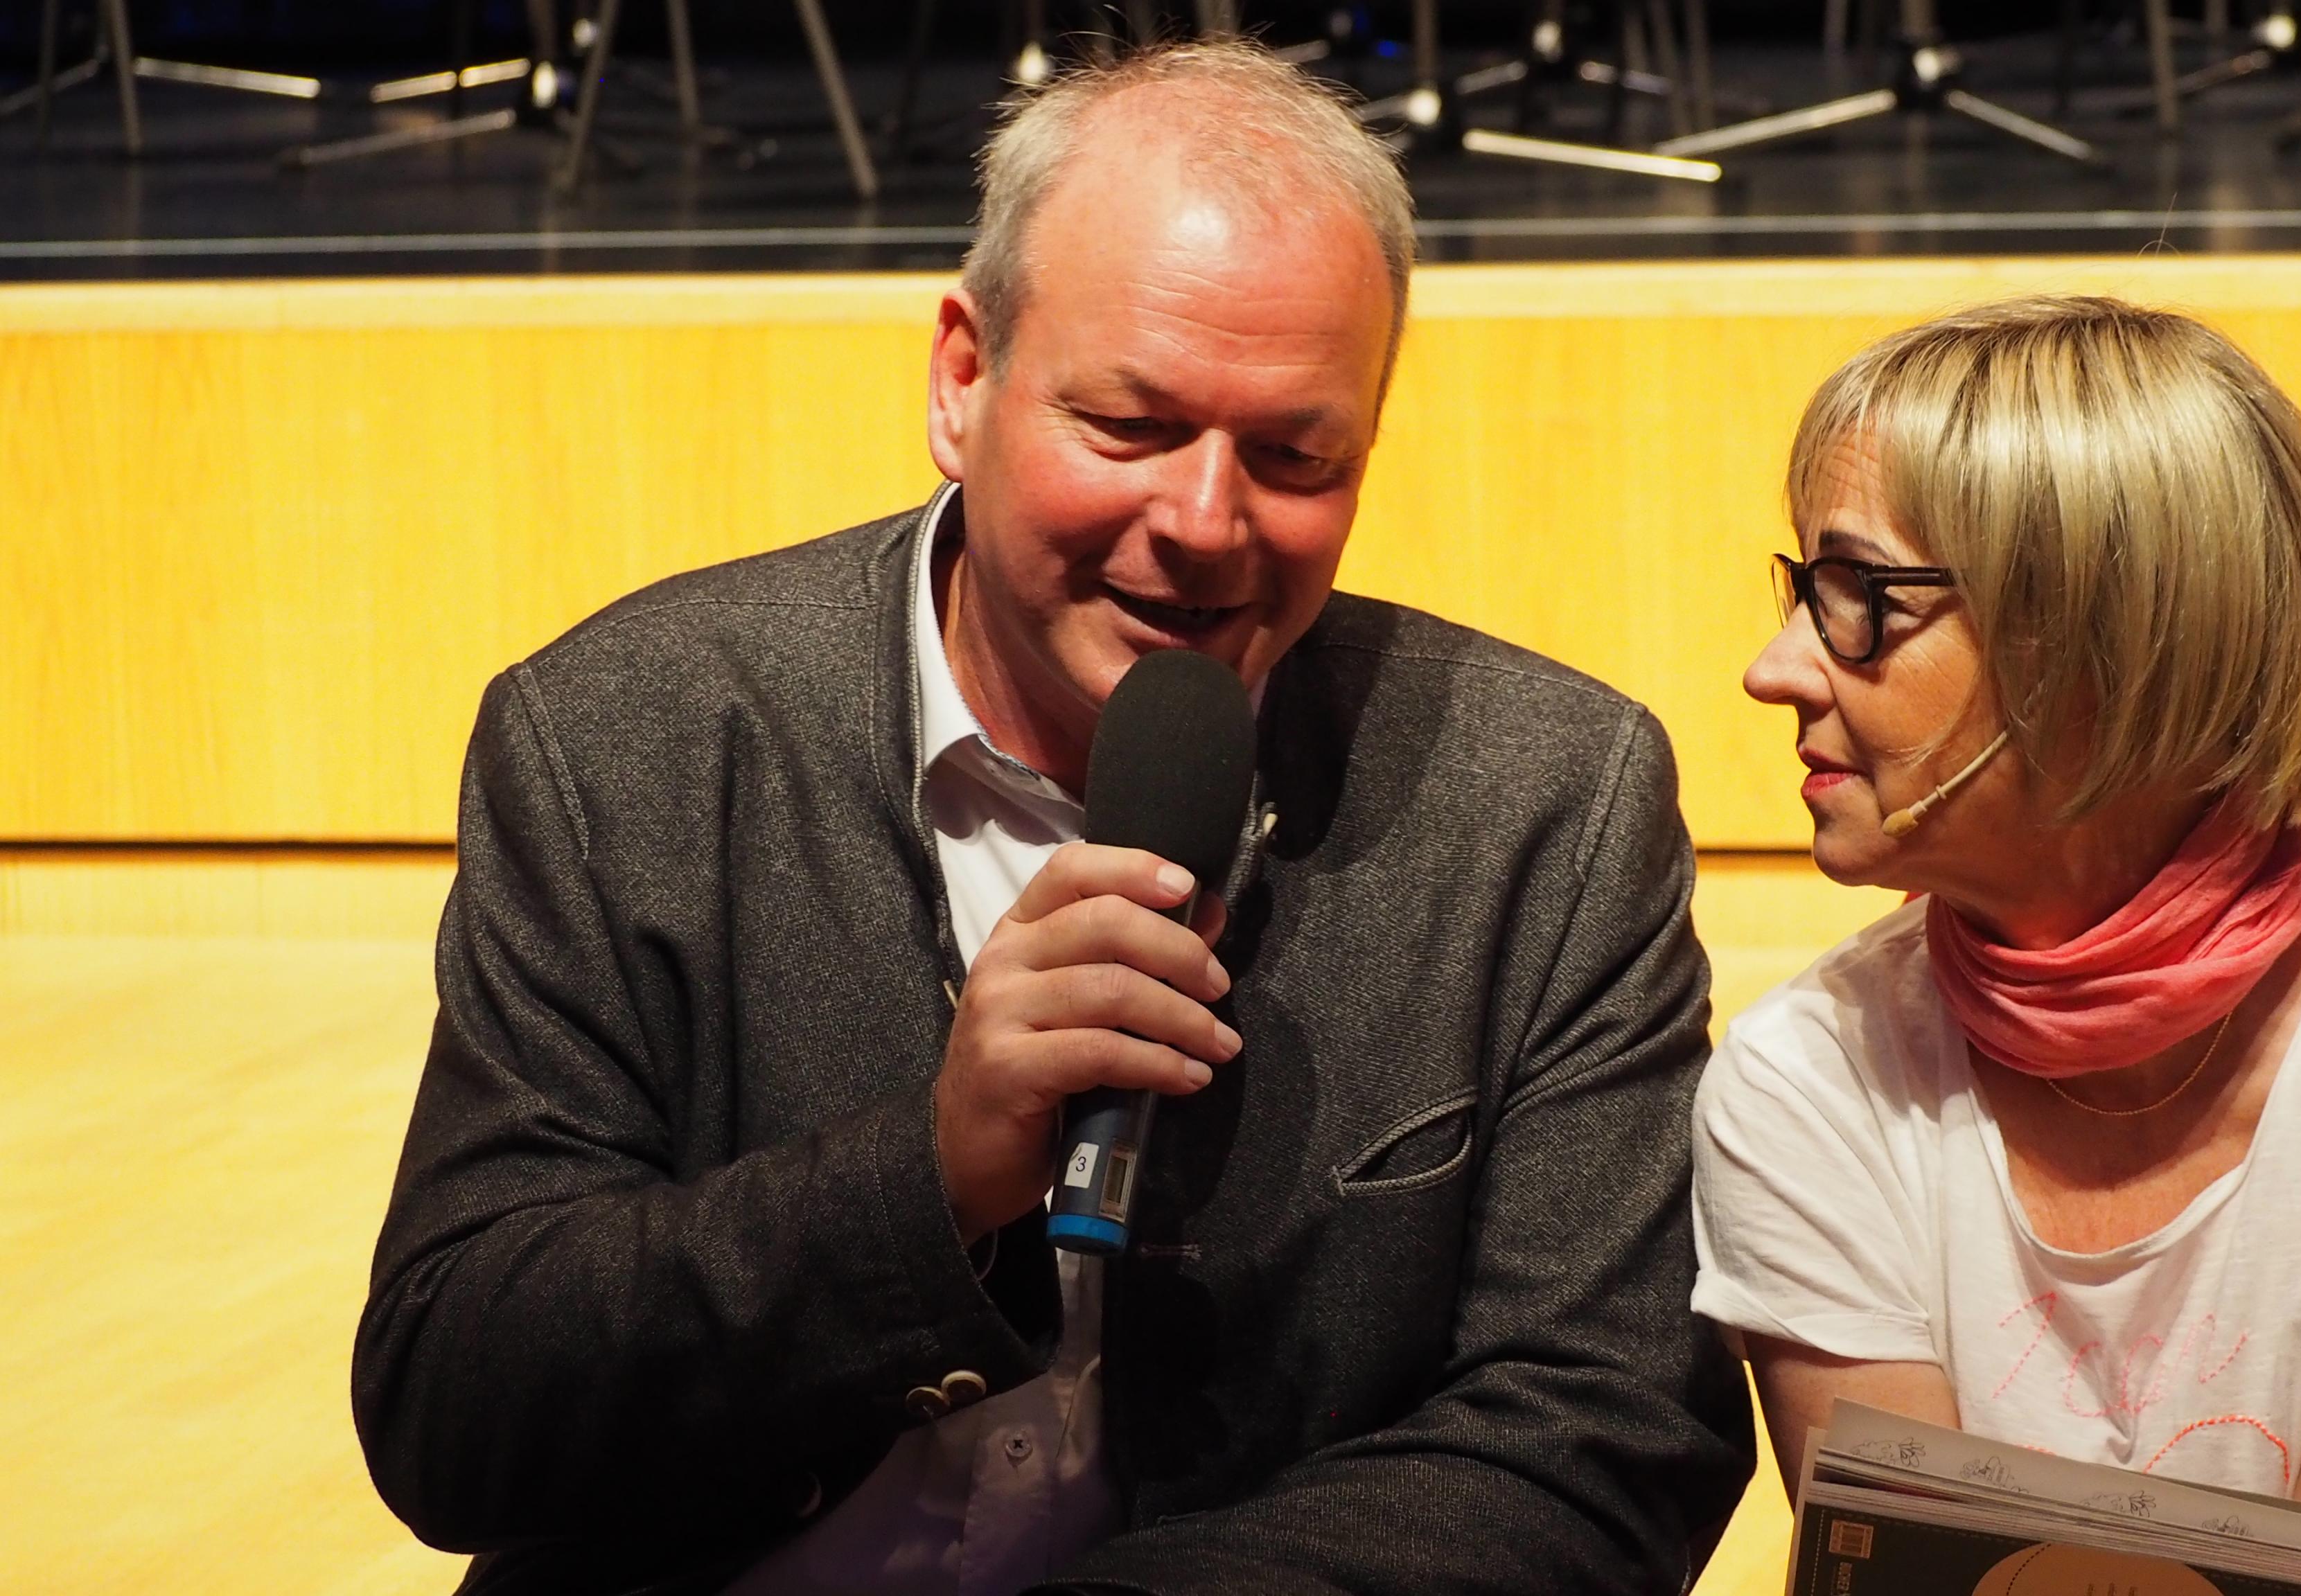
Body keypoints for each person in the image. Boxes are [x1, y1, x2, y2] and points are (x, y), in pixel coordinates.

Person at [353, 41, 1750, 1596]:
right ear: (963, 379)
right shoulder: (626, 740)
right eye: (1130, 427)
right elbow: (453, 1405)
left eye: (1294, 455)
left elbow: (1609, 1435)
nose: (1206, 523)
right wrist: (927, 1181)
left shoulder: (1548, 798)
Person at [1691, 296, 2301, 1596]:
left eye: (1859, 596)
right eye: (1807, 591)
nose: (1775, 670)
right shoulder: (1803, 1080)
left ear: (2101, 642)